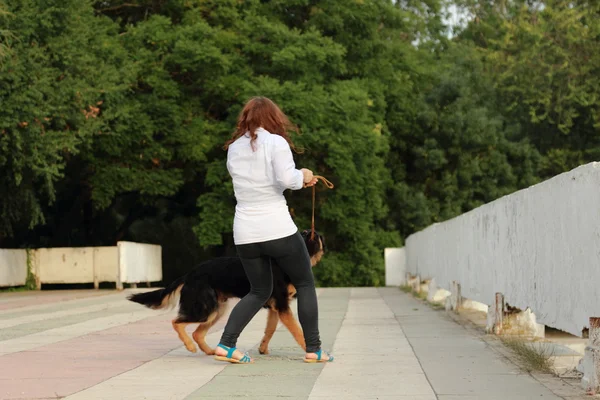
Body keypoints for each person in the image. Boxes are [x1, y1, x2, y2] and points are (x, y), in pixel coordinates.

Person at [213, 96, 334, 364]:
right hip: (277, 228)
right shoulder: (276, 142)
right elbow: (286, 179)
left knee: (258, 291)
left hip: (245, 233)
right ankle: (314, 349)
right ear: (273, 118)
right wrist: (303, 175)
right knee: (304, 283)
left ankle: (225, 345)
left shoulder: (234, 148)